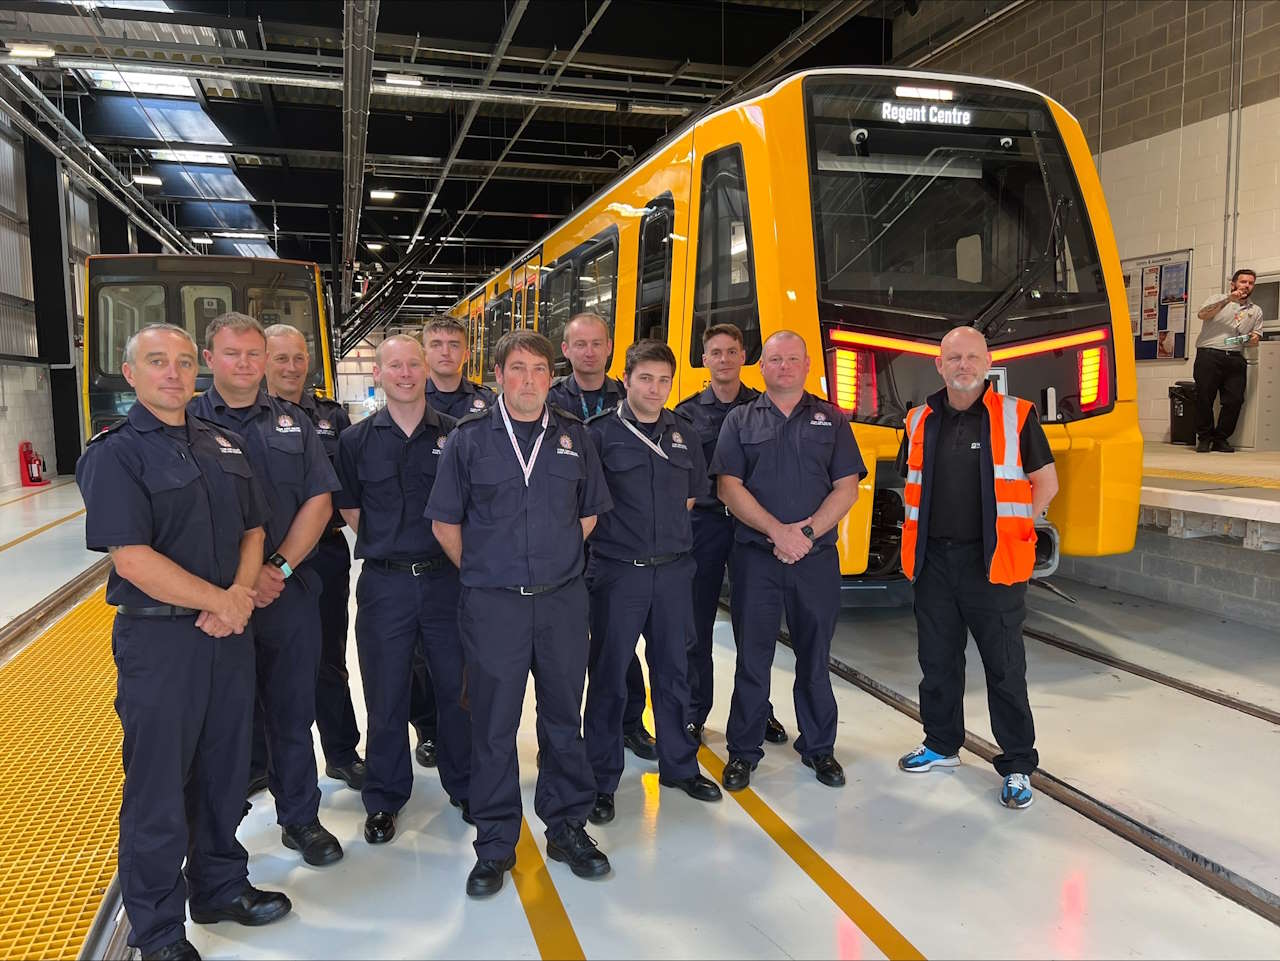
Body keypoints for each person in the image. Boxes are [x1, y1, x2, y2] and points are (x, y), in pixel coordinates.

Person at [77, 324, 289, 961]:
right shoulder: (115, 453)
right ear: (130, 371)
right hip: (161, 643)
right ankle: (159, 932)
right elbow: (132, 558)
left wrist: (239, 597)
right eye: (156, 362)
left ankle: (220, 886)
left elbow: (254, 530)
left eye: (181, 362)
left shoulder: (222, 442)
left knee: (226, 772)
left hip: (228, 636)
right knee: (158, 787)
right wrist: (220, 601)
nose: (172, 373)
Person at [428, 329, 613, 898]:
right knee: (493, 726)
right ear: (500, 375)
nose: (529, 380)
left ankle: (567, 828)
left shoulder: (574, 438)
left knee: (563, 719)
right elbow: (445, 525)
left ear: (548, 376)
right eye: (517, 369)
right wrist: (490, 573)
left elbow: (588, 517)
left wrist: (549, 566)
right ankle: (494, 844)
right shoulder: (468, 440)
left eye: (538, 369)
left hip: (561, 601)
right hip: (493, 607)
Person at [189, 312, 344, 865]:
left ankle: (301, 819)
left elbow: (318, 501)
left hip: (285, 594)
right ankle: (218, 842)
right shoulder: (180, 423)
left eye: (254, 354)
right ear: (210, 360)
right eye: (233, 354)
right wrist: (231, 587)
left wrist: (275, 566)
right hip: (210, 606)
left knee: (291, 711)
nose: (246, 365)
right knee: (221, 724)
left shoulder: (293, 424)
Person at [896, 326, 1058, 810]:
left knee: (1005, 668)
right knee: (937, 663)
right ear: (939, 365)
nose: (963, 366)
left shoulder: (1016, 416)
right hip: (934, 562)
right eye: (954, 358)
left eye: (972, 358)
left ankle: (1017, 764)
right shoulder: (918, 419)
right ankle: (942, 745)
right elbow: (911, 483)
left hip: (993, 564)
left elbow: (1045, 483)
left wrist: (1016, 528)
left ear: (988, 363)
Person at [711, 330, 864, 792]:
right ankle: (744, 751)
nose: (784, 367)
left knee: (815, 657)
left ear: (807, 366)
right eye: (775, 360)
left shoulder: (831, 419)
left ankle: (819, 748)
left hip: (815, 560)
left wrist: (807, 533)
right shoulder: (739, 420)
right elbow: (728, 487)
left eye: (792, 359)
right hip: (756, 558)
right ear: (762, 367)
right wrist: (778, 532)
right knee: (753, 659)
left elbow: (847, 487)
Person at [334, 334, 472, 844]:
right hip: (384, 585)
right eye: (395, 365)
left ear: (427, 368)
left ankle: (465, 784)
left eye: (414, 363)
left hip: (446, 582)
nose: (407, 373)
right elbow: (351, 510)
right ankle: (385, 797)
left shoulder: (459, 436)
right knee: (385, 692)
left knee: (456, 690)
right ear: (379, 374)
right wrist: (389, 543)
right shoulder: (355, 442)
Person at [583, 339, 722, 824]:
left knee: (674, 671)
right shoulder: (599, 434)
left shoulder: (683, 433)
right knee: (608, 678)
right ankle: (601, 780)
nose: (656, 388)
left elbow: (690, 498)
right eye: (646, 378)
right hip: (618, 573)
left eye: (665, 380)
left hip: (673, 573)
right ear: (626, 380)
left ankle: (679, 766)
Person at [546, 311, 656, 762]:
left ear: (610, 348)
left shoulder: (629, 394)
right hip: (564, 542)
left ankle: (630, 723)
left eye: (597, 343)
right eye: (580, 344)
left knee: (619, 643)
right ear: (566, 350)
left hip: (617, 544)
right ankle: (563, 738)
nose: (589, 352)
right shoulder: (549, 399)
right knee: (563, 651)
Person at [674, 323, 787, 746]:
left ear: (744, 358)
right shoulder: (685, 414)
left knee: (754, 625)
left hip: (750, 526)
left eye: (731, 351)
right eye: (715, 352)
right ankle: (693, 712)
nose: (723, 359)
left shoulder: (765, 408)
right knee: (696, 624)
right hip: (702, 526)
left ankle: (759, 712)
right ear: (705, 360)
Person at [264, 324, 365, 792]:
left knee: (328, 657)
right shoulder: (234, 418)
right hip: (252, 565)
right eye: (280, 357)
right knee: (257, 665)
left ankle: (342, 751)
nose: (290, 367)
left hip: (320, 556)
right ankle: (258, 764)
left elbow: (346, 487)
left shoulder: (330, 417)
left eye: (298, 358)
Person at [413, 316, 496, 770]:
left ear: (467, 352)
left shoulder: (485, 402)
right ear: (425, 351)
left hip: (471, 553)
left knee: (465, 652)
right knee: (419, 656)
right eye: (437, 344)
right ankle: (429, 731)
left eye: (454, 344)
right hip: (421, 550)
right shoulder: (411, 397)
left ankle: (465, 733)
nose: (445, 351)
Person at [1193, 268, 1263, 453]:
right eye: (1243, 282)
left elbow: (1255, 338)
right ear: (1233, 284)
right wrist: (1227, 300)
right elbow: (1203, 315)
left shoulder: (1255, 310)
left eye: (1250, 283)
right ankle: (1204, 438)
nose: (1247, 286)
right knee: (1204, 397)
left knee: (1234, 400)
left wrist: (1241, 340)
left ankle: (1221, 438)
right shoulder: (1217, 299)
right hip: (1209, 355)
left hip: (1234, 357)